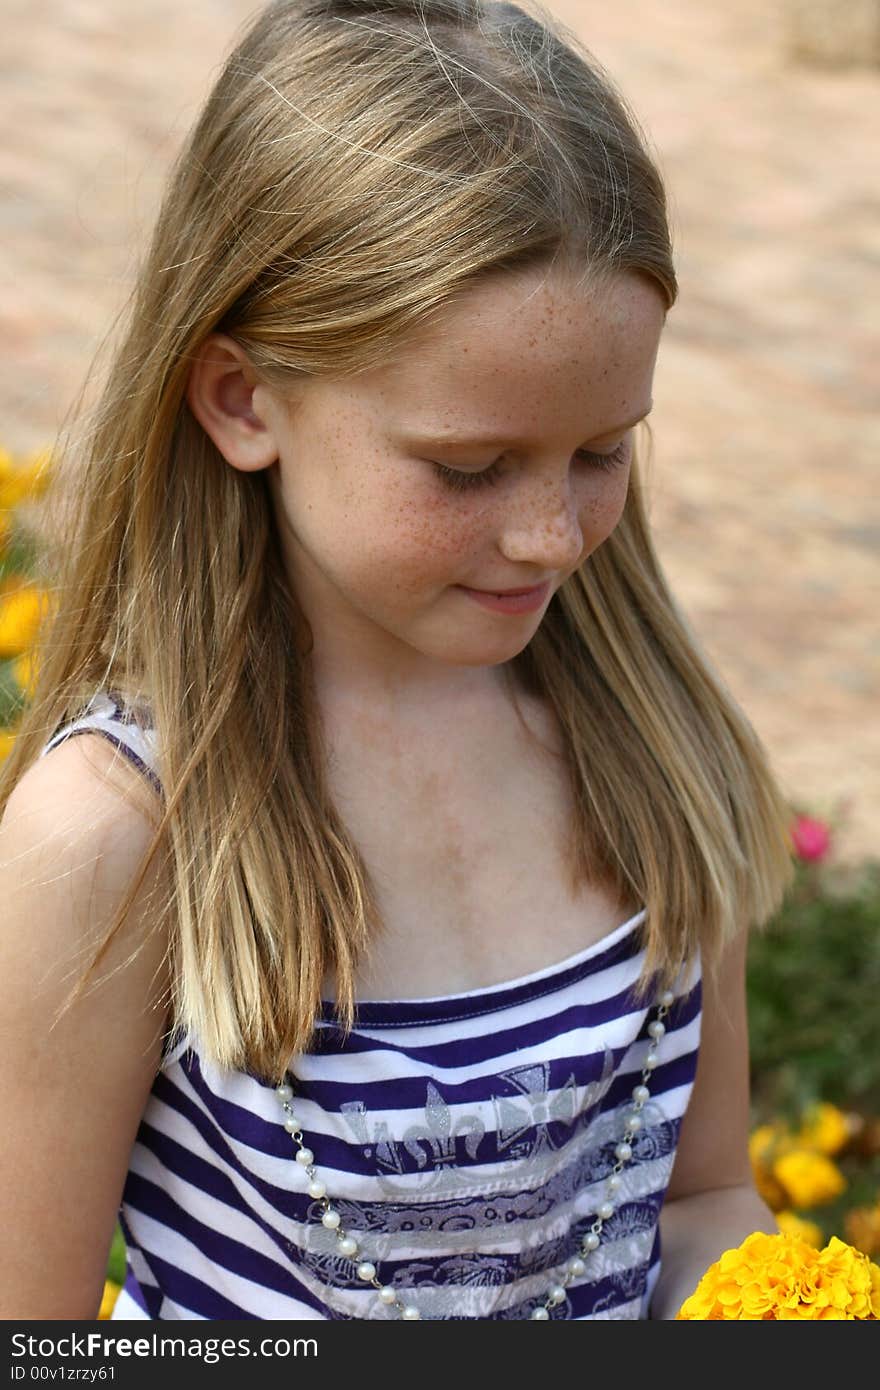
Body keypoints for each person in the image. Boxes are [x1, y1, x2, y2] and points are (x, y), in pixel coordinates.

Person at [0, 0, 795, 1321]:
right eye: (469, 467)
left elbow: (707, 1198)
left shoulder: (651, 738)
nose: (550, 534)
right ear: (243, 400)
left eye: (602, 451)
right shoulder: (117, 836)